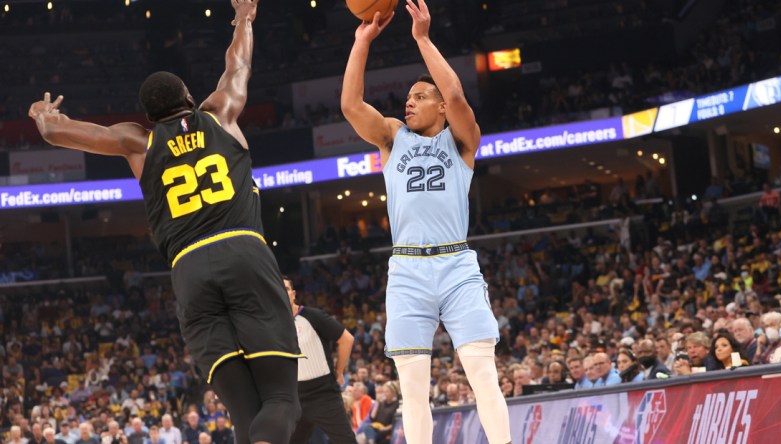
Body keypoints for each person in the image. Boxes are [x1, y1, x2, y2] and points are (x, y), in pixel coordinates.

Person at [27, 1, 302, 443]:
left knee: (242, 411)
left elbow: (59, 133)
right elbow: (239, 64)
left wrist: (44, 116)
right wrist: (244, 19)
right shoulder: (220, 113)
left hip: (189, 269)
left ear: (149, 115)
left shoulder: (137, 142)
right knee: (281, 401)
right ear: (190, 99)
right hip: (243, 250)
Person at [340, 1, 511, 442]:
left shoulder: (461, 141)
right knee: (414, 391)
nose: (409, 103)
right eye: (408, 98)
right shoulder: (393, 137)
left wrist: (421, 38)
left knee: (482, 374)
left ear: (438, 107)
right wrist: (361, 44)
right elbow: (351, 104)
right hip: (407, 271)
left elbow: (456, 95)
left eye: (420, 97)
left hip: (456, 266)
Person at [284, 276, 356, 444]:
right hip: (294, 397)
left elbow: (347, 339)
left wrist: (339, 371)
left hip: (323, 393)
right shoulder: (272, 324)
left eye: (286, 288)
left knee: (346, 441)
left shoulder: (312, 316)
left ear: (293, 294)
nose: (282, 292)